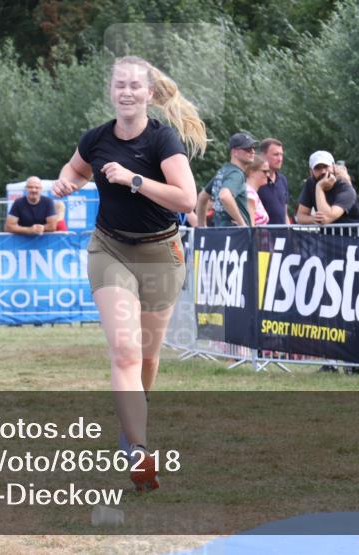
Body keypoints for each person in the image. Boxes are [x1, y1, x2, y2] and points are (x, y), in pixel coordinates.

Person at [51, 55, 206, 492]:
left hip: (160, 253)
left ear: (149, 94)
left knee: (148, 358)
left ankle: (132, 423)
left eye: (135, 85)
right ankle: (138, 451)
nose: (126, 92)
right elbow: (75, 168)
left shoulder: (163, 140)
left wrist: (133, 180)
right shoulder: (96, 138)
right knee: (124, 352)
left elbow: (186, 200)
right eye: (120, 84)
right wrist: (66, 182)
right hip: (110, 248)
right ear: (111, 90)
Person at [195, 132, 258, 227]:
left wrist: (202, 227)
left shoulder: (223, 171)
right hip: (235, 232)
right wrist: (242, 224)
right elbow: (224, 196)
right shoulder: (236, 174)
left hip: (221, 231)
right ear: (234, 152)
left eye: (253, 148)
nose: (253, 151)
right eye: (248, 149)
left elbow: (202, 197)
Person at [295, 150, 359, 225]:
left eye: (326, 166)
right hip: (326, 233)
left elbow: (325, 219)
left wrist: (319, 188)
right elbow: (300, 217)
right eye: (317, 168)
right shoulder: (310, 183)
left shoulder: (345, 187)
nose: (323, 171)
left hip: (351, 232)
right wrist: (313, 219)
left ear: (334, 167)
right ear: (311, 172)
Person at [257, 138, 289, 224]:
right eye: (276, 154)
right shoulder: (255, 180)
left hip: (282, 232)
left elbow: (285, 213)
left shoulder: (282, 180)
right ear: (263, 155)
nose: (280, 159)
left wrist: (289, 230)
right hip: (262, 232)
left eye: (281, 155)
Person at [244, 155, 270, 226]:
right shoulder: (250, 195)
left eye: (268, 171)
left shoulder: (251, 193)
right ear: (251, 172)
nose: (268, 175)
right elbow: (250, 228)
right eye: (265, 171)